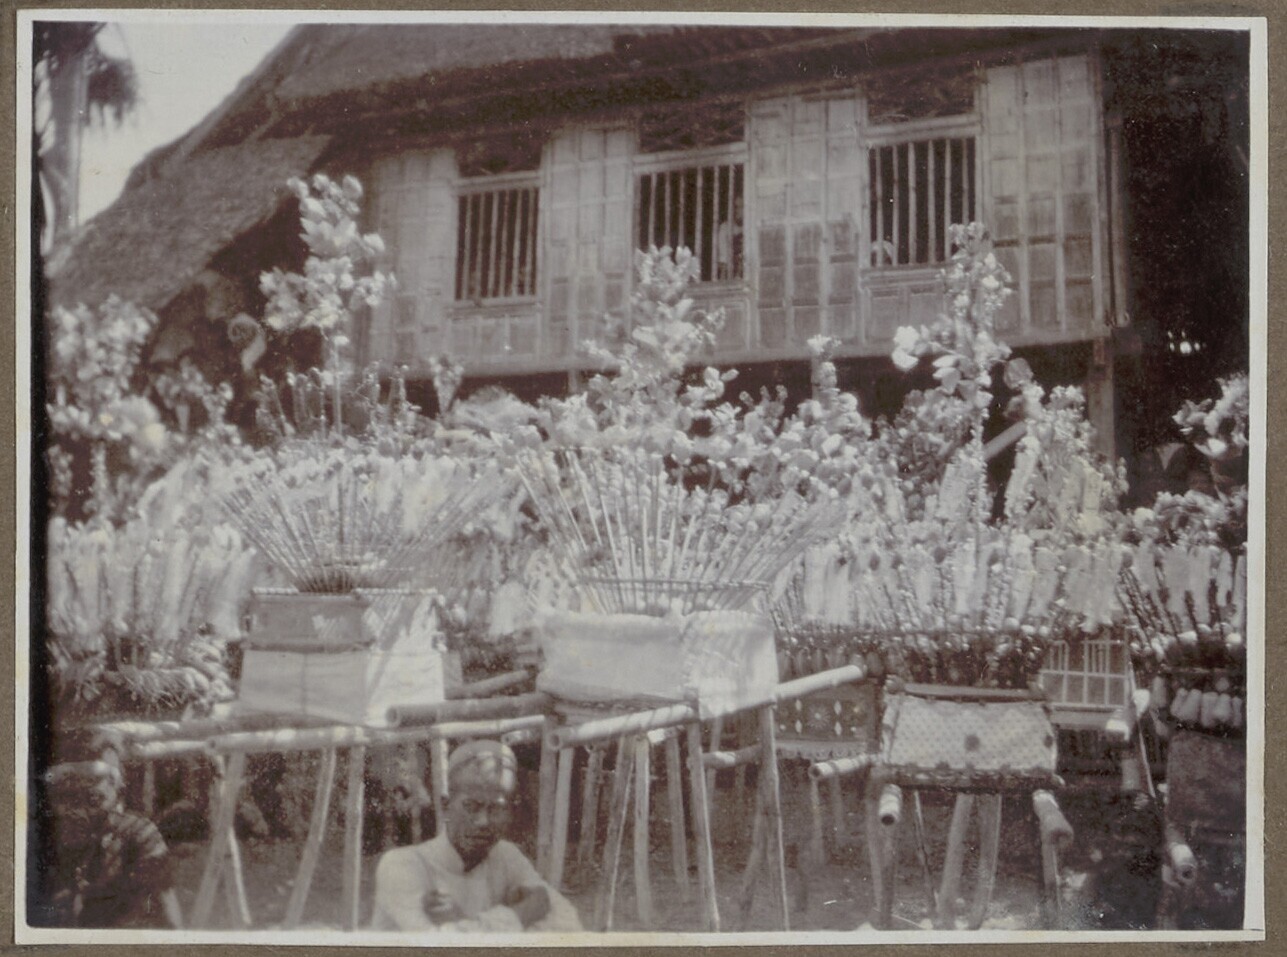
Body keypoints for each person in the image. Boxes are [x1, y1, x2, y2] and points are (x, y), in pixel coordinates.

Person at [371, 740, 582, 933]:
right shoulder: (403, 865)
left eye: (496, 809)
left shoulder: (506, 855)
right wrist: (521, 915)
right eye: (471, 806)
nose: (483, 821)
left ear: (510, 812)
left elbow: (568, 924)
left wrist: (465, 923)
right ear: (446, 806)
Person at [41, 729, 183, 929]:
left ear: (117, 788)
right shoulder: (60, 831)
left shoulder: (137, 832)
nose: (81, 808)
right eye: (72, 795)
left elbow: (165, 905)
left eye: (93, 798)